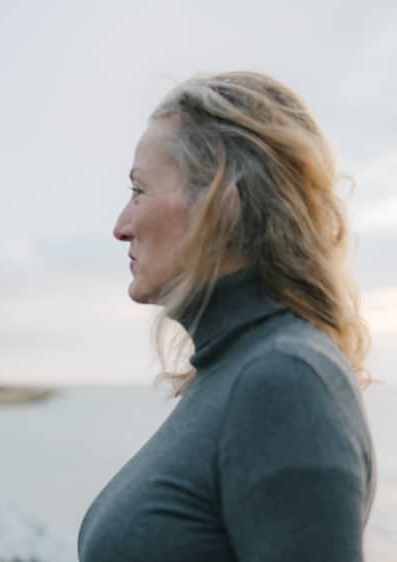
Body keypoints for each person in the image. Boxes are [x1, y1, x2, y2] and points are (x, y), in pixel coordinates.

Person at [78, 72, 375, 562]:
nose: (121, 227)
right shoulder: (232, 370)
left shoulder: (286, 379)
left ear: (219, 198)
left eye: (138, 190)